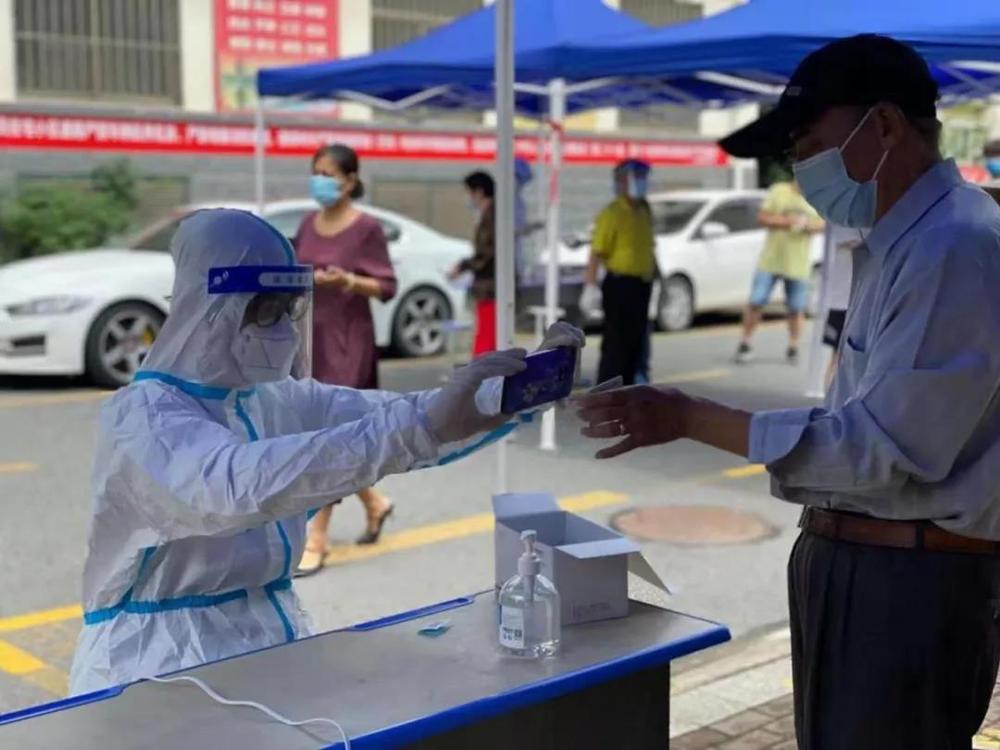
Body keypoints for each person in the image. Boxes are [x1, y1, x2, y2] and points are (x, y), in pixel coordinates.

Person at [576, 35, 1000, 750]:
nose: (800, 170)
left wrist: (689, 417)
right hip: (870, 568)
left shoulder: (952, 245)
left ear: (885, 125)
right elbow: (861, 421)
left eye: (810, 146)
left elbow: (879, 449)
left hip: (908, 580)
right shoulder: (903, 243)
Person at [68, 207, 585, 695]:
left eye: (288, 309)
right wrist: (419, 427)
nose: (283, 328)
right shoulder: (143, 417)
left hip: (265, 637)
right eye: (264, 311)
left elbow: (403, 418)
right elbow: (235, 485)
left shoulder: (274, 398)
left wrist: (519, 390)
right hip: (152, 662)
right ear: (209, 311)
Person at [293, 144, 397, 576]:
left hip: (348, 342)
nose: (320, 181)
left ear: (351, 180)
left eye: (329, 174)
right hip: (310, 340)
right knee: (327, 434)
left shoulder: (367, 228)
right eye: (315, 172)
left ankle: (317, 535)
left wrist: (348, 280)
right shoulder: (307, 224)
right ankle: (375, 502)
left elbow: (387, 286)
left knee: (332, 434)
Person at [581, 159, 655, 386]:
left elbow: (649, 246)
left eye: (644, 177)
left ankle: (631, 389)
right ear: (621, 181)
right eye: (636, 177)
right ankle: (608, 390)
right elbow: (597, 252)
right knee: (616, 345)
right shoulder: (611, 213)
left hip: (642, 285)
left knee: (637, 344)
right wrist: (590, 285)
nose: (642, 182)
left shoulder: (645, 209)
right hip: (620, 286)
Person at [735, 178, 824, 365]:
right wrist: (788, 221)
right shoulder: (779, 191)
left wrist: (807, 224)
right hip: (771, 261)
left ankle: (793, 346)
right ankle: (745, 341)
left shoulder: (816, 196)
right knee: (756, 301)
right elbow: (763, 217)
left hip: (798, 263)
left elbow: (823, 224)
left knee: (796, 308)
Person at [451, 171, 496, 357]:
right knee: (486, 336)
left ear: (479, 191)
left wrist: (463, 266)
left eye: (469, 192)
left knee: (486, 341)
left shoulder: (491, 216)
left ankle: (483, 372)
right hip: (488, 285)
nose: (468, 197)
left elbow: (486, 252)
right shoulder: (489, 214)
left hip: (489, 286)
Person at [821, 226, 860, 386]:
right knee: (838, 355)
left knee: (844, 356)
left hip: (857, 301)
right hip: (841, 302)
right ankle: (829, 394)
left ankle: (832, 393)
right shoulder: (843, 226)